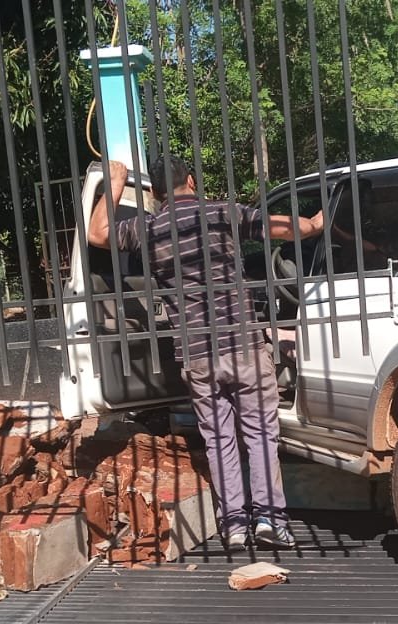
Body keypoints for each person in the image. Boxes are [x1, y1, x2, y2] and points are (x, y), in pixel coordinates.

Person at [87, 156, 325, 550]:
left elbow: (98, 234)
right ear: (192, 181)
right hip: (244, 344)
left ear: (156, 194)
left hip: (198, 353)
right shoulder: (222, 213)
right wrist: (315, 224)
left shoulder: (148, 227)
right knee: (261, 434)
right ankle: (269, 520)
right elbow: (284, 227)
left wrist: (114, 182)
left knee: (219, 440)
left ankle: (232, 523)